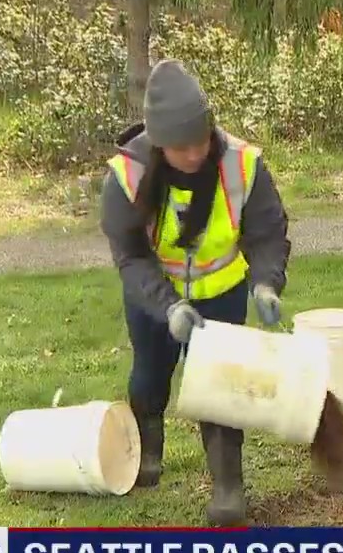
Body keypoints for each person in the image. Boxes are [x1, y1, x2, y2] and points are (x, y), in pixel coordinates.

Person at [100, 59, 291, 526]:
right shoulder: (126, 177)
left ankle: (228, 486)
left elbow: (267, 232)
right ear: (159, 143)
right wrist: (168, 307)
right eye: (180, 147)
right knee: (149, 375)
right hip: (154, 298)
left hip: (222, 294)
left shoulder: (243, 165)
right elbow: (130, 256)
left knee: (221, 386)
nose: (193, 154)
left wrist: (266, 282)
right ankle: (147, 452)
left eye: (200, 141)